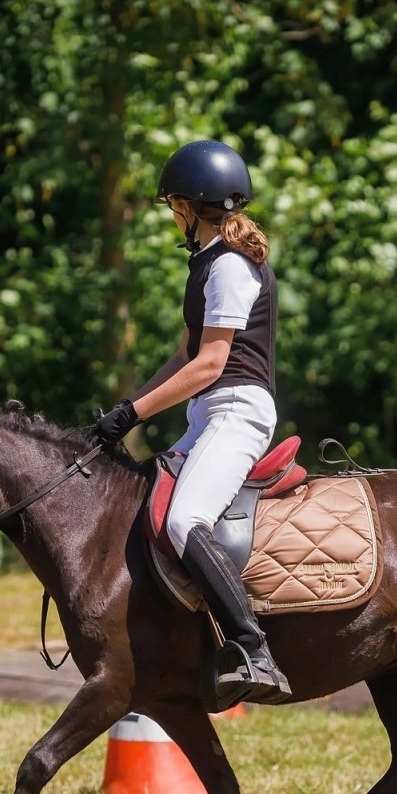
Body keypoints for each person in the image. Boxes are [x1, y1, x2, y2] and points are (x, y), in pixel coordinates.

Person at [91, 140, 292, 709]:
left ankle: (255, 650)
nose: (171, 215)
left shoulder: (229, 265)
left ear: (188, 204)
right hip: (210, 412)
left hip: (238, 411)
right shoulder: (205, 261)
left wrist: (136, 413)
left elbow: (211, 363)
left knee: (185, 519)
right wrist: (124, 407)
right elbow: (183, 355)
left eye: (172, 204)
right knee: (145, 507)